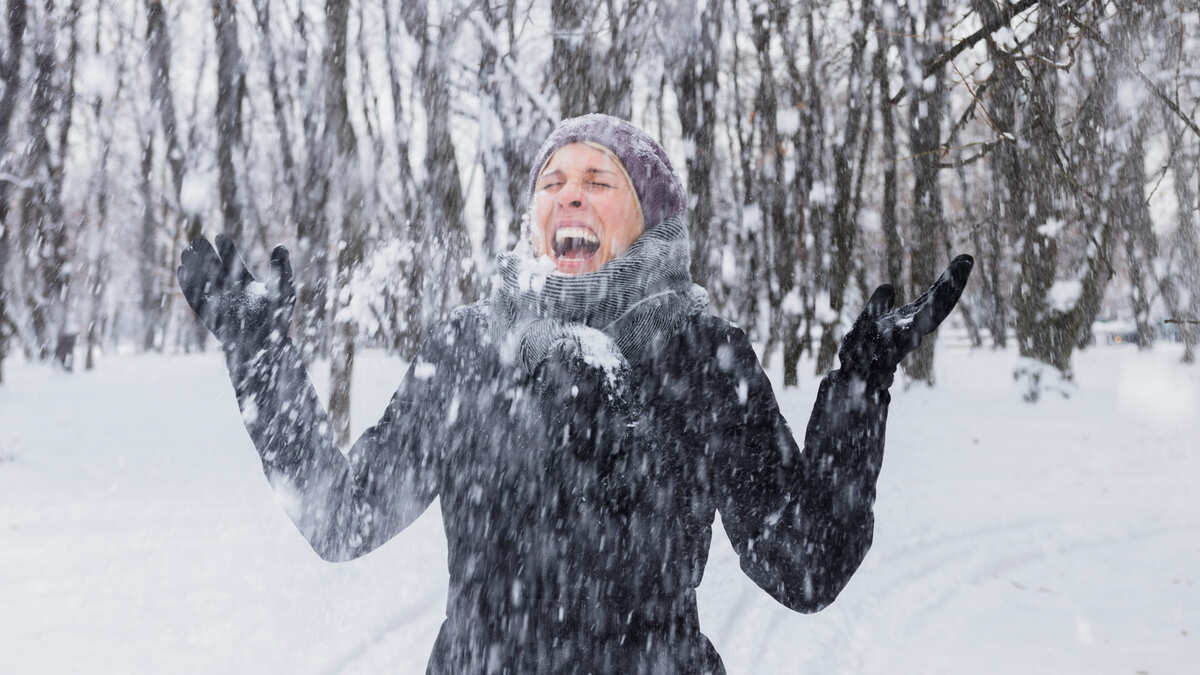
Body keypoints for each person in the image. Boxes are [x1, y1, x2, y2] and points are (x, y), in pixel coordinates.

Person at [178, 113, 972, 674]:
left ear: (649, 216)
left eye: (599, 180)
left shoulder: (698, 352)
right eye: (552, 181)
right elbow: (341, 515)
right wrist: (260, 356)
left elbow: (804, 564)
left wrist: (862, 381)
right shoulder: (470, 348)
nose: (569, 195)